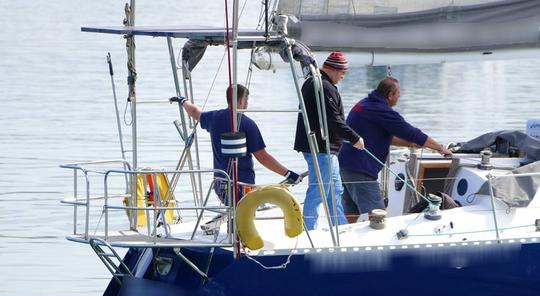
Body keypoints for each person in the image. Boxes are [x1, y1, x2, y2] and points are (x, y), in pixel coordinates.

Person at [338, 77, 452, 223]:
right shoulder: (381, 110)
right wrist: (440, 148)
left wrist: (411, 144)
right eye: (398, 94)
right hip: (361, 171)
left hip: (345, 166)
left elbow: (383, 136)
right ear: (390, 95)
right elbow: (412, 132)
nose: (399, 97)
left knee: (351, 214)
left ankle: (347, 242)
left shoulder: (365, 104)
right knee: (378, 217)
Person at [171, 84, 299, 204]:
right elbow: (262, 157)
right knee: (242, 212)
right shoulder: (248, 124)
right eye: (246, 100)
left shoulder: (214, 118)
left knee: (232, 211)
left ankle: (231, 224)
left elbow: (195, 112)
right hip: (243, 186)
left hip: (220, 183)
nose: (247, 104)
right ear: (240, 101)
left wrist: (183, 101)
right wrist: (288, 174)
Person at [293, 51, 365, 230]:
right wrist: (354, 138)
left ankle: (339, 227)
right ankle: (308, 230)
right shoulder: (323, 86)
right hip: (321, 148)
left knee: (334, 191)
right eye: (342, 72)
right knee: (319, 191)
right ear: (333, 69)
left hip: (323, 149)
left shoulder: (316, 82)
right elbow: (333, 119)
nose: (342, 76)